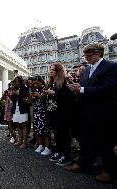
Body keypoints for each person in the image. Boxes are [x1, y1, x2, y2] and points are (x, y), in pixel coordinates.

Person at [66, 43, 117, 183]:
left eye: (89, 55)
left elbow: (107, 89)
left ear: (98, 53)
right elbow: (84, 88)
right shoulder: (87, 70)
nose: (86, 58)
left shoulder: (111, 67)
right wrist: (76, 89)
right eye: (85, 55)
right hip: (87, 112)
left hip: (104, 113)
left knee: (106, 143)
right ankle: (83, 164)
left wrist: (81, 89)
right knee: (87, 141)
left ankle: (108, 171)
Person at [44, 62, 74, 166]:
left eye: (53, 70)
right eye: (50, 69)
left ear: (58, 71)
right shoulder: (51, 83)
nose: (50, 71)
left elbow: (70, 96)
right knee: (57, 134)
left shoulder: (64, 81)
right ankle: (59, 152)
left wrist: (55, 93)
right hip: (52, 113)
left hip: (62, 114)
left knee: (64, 135)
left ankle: (66, 156)